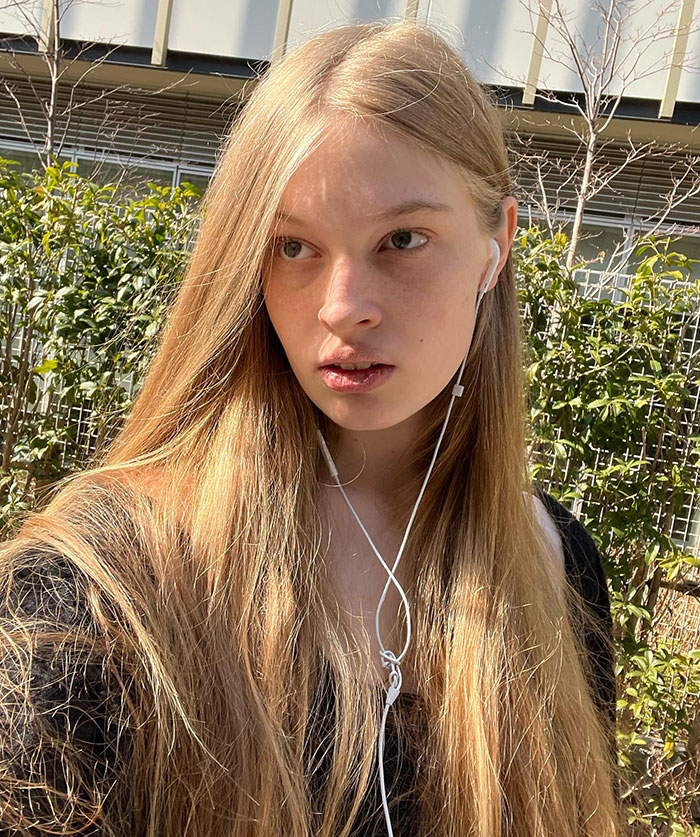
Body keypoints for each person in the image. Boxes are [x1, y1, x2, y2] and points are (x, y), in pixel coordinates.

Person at [0, 18, 624, 837]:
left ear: (496, 246)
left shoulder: (557, 567)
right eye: (294, 246)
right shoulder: (101, 595)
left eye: (402, 239)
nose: (342, 304)